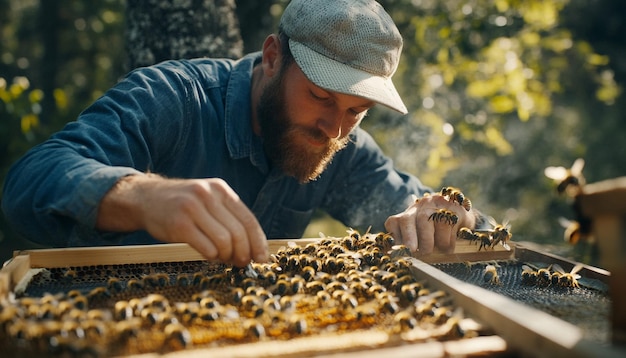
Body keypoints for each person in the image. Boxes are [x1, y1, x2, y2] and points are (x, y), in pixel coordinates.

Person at [1, 0, 479, 267]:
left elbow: (454, 221)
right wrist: (141, 195)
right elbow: (29, 181)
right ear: (273, 57)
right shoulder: (174, 98)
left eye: (357, 110)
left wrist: (442, 214)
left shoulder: (341, 148)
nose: (334, 128)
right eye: (320, 97)